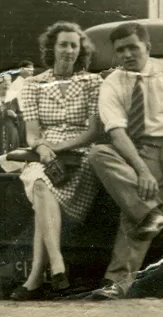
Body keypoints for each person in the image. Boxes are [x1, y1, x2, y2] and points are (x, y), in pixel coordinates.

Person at [11, 22, 103, 299]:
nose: (68, 50)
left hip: (81, 154)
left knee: (42, 196)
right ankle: (57, 265)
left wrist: (57, 147)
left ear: (80, 51)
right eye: (63, 44)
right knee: (38, 181)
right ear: (52, 48)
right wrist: (41, 148)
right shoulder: (33, 84)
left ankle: (36, 276)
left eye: (74, 45)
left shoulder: (91, 82)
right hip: (44, 153)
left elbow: (92, 132)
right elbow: (32, 133)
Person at [87, 22, 163, 300]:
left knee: (137, 210)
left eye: (133, 47)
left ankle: (149, 215)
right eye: (120, 50)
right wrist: (142, 170)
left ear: (147, 47)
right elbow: (116, 130)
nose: (127, 55)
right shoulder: (114, 82)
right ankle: (118, 282)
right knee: (99, 153)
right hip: (142, 152)